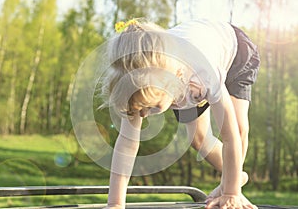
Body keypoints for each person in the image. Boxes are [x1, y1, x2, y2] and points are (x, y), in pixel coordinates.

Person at [101, 18, 260, 209]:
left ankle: (232, 185)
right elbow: (126, 146)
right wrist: (115, 204)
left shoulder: (204, 72)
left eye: (151, 107)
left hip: (234, 50)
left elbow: (230, 136)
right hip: (186, 72)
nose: (143, 114)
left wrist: (230, 193)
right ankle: (237, 175)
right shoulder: (137, 85)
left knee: (237, 126)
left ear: (173, 82)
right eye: (139, 109)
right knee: (199, 139)